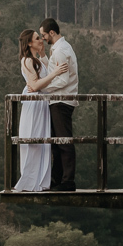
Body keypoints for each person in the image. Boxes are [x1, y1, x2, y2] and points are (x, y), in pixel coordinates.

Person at [13, 29, 68, 192]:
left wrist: (43, 53)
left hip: (42, 103)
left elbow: (45, 74)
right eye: (37, 39)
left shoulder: (36, 59)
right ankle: (29, 181)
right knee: (33, 139)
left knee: (43, 140)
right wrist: (56, 73)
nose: (40, 40)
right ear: (29, 43)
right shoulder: (27, 61)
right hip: (34, 104)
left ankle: (40, 181)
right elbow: (36, 85)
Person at [40, 18, 79, 192]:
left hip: (62, 100)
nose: (43, 39)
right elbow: (53, 71)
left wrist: (44, 87)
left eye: (43, 35)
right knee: (57, 142)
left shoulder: (61, 51)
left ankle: (67, 181)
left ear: (52, 33)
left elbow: (62, 80)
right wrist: (43, 57)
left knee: (64, 142)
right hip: (59, 99)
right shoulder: (59, 49)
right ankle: (57, 180)